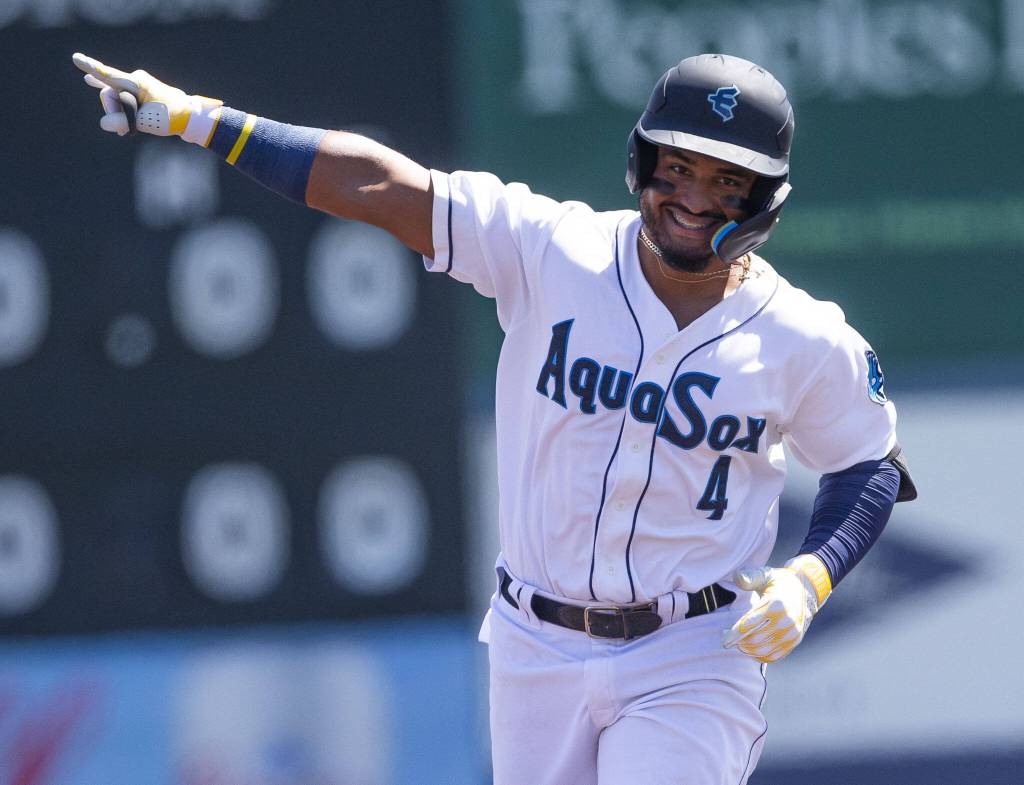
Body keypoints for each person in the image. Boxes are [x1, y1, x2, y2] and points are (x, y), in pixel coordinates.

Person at [73, 51, 916, 785]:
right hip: (535, 641)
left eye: (727, 180)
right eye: (679, 167)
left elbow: (869, 463)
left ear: (766, 199)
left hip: (689, 650)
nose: (693, 197)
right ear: (642, 161)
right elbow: (379, 182)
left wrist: (812, 577)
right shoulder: (553, 249)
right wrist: (203, 121)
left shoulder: (804, 337)